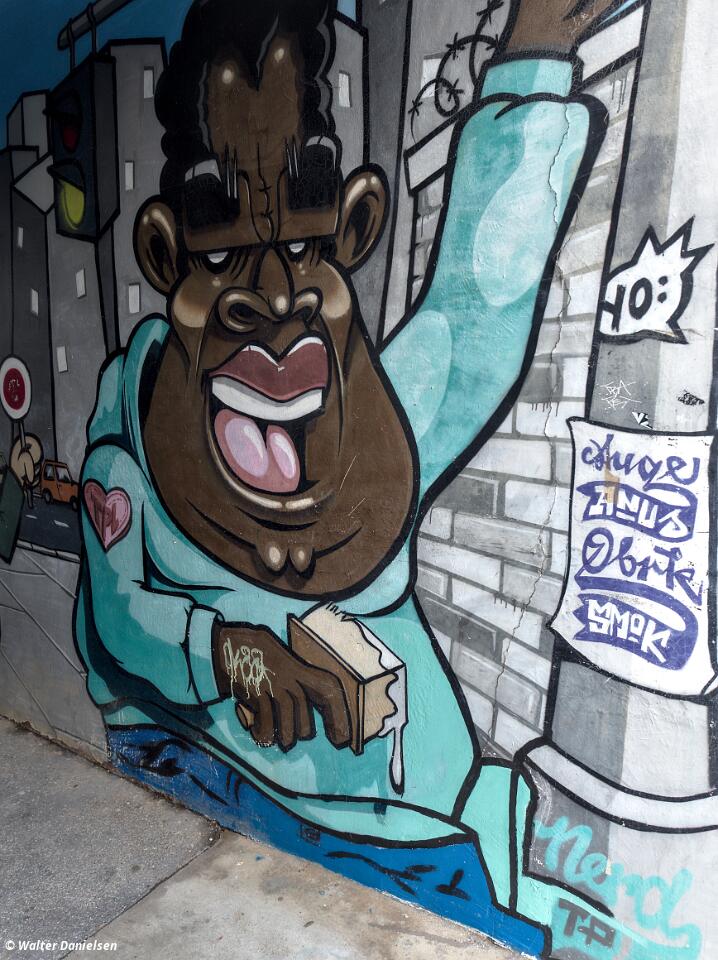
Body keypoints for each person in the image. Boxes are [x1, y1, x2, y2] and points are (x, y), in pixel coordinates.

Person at [76, 0, 616, 949]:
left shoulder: (377, 416)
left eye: (303, 244)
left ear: (356, 224)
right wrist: (228, 652)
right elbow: (119, 611)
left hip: (423, 846)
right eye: (221, 252)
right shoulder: (136, 425)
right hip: (223, 795)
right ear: (164, 251)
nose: (272, 295)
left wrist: (534, 54)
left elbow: (477, 303)